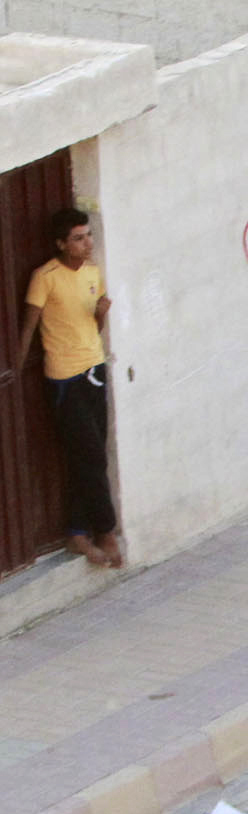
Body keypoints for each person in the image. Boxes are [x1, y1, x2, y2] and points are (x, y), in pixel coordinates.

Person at [11, 209, 122, 568]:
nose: (87, 243)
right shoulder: (45, 277)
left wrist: (102, 313)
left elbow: (94, 325)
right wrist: (14, 368)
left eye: (88, 235)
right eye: (78, 238)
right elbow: (29, 326)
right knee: (89, 454)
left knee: (89, 455)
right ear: (61, 243)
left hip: (94, 369)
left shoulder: (92, 273)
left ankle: (77, 532)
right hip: (64, 379)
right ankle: (105, 530)